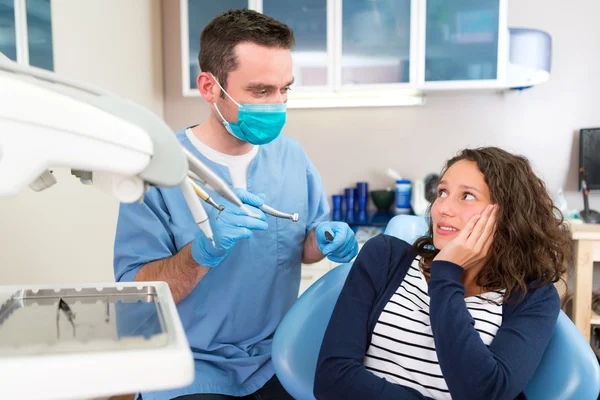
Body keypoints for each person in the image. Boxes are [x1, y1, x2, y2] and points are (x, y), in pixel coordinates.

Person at [113, 9, 358, 400]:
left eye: (285, 90)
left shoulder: (291, 157)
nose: (277, 104)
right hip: (189, 367)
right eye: (261, 91)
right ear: (210, 87)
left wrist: (324, 241)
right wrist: (201, 254)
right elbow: (135, 293)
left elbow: (301, 246)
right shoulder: (160, 170)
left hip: (275, 361)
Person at [314, 147, 572, 400]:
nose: (442, 208)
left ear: (508, 213)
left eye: (467, 196)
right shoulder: (385, 256)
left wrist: (446, 276)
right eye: (442, 192)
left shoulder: (532, 296)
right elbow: (331, 378)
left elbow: (484, 392)